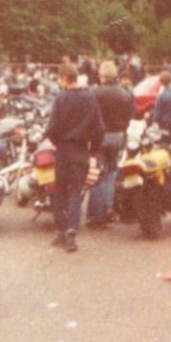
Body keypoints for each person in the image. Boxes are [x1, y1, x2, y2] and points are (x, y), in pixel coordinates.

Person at [45, 63, 105, 252]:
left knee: (59, 192)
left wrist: (56, 142)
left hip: (63, 150)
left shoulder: (60, 98)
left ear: (63, 77)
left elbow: (51, 128)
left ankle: (60, 231)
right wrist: (93, 150)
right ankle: (72, 232)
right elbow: (99, 128)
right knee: (75, 194)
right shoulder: (90, 98)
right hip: (81, 151)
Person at [87, 61, 134, 228]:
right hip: (118, 136)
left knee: (98, 173)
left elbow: (90, 117)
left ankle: (96, 216)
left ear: (103, 76)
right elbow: (130, 116)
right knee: (112, 172)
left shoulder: (95, 93)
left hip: (100, 136)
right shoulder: (125, 93)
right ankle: (108, 207)